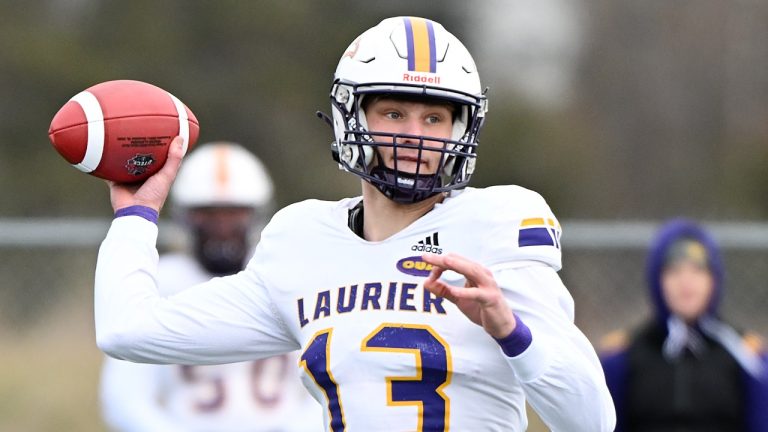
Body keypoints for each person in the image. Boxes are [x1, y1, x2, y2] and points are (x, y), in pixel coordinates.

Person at [94, 17, 615, 431]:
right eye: (394, 113)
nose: (417, 135)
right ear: (353, 119)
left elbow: (593, 421)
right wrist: (137, 216)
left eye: (434, 118)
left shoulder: (497, 224)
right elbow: (127, 331)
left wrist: (512, 331)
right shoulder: (302, 242)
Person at [99, 142, 323, 432]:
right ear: (185, 218)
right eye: (208, 214)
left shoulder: (287, 277)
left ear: (255, 216)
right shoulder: (159, 279)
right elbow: (125, 399)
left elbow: (326, 386)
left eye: (233, 215)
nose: (222, 227)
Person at [600, 219, 768, 431]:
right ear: (656, 280)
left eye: (697, 270)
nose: (686, 282)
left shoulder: (748, 358)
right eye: (674, 271)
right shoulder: (621, 359)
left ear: (714, 279)